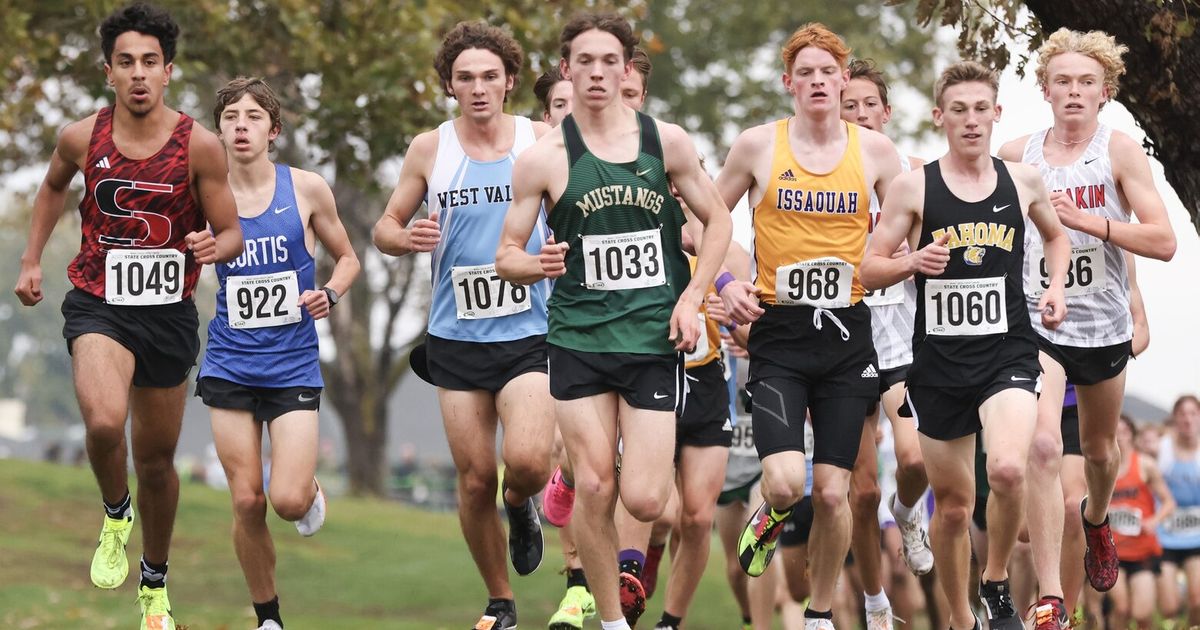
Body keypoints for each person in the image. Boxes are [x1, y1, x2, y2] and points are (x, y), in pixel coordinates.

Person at [496, 12, 733, 630]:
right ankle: (609, 620)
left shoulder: (667, 143)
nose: (597, 73)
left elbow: (720, 223)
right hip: (577, 339)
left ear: (627, 68)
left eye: (609, 62)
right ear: (567, 71)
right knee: (596, 486)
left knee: (649, 499)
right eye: (584, 62)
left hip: (652, 339)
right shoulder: (543, 158)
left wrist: (692, 298)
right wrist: (534, 265)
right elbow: (506, 255)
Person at [12, 4, 242, 628]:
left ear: (168, 71)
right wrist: (33, 258)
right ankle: (116, 513)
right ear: (107, 71)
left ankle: (155, 583)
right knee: (105, 424)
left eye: (149, 63)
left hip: (167, 315)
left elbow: (231, 233)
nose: (138, 74)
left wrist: (210, 247)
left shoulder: (200, 145)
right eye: (125, 63)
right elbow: (54, 185)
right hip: (98, 303)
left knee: (159, 462)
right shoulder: (82, 137)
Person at [861, 60, 1070, 630]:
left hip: (1008, 350)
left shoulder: (1022, 181)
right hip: (939, 364)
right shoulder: (913, 186)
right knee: (952, 508)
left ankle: (996, 581)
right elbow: (869, 268)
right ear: (940, 117)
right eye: (959, 111)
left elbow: (1056, 237)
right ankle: (959, 617)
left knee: (1006, 470)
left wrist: (1053, 286)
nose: (971, 121)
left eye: (982, 109)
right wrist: (911, 261)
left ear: (996, 113)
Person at [714, 23, 903, 629]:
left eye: (829, 71)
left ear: (844, 80)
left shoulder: (875, 153)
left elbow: (914, 221)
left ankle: (820, 614)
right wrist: (725, 284)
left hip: (849, 339)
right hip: (779, 338)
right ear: (788, 83)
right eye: (807, 73)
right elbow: (702, 223)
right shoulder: (756, 147)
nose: (818, 81)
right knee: (787, 481)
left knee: (833, 492)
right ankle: (768, 514)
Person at [373, 21, 554, 630]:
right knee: (475, 479)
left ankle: (523, 502)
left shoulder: (541, 139)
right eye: (465, 77)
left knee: (526, 462)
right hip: (456, 336)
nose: (478, 88)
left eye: (489, 76)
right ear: (449, 85)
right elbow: (384, 227)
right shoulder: (431, 148)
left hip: (531, 331)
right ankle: (500, 602)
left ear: (509, 81)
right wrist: (406, 236)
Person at [996, 28, 1177, 628]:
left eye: (1086, 83)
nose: (1074, 92)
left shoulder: (1120, 151)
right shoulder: (1016, 154)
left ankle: (1098, 521)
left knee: (1099, 452)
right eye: (1063, 81)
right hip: (1038, 320)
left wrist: (1093, 223)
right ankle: (1052, 597)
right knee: (1045, 445)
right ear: (1045, 89)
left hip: (1102, 327)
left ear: (1105, 92)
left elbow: (1163, 241)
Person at [198, 77, 360, 630]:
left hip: (292, 362)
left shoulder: (307, 189)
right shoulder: (204, 192)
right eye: (231, 117)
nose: (241, 126)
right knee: (247, 501)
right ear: (218, 129)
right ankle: (268, 617)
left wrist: (330, 293)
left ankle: (307, 489)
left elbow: (348, 259)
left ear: (274, 130)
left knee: (286, 501)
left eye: (253, 116)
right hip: (228, 361)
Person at [839, 57, 934, 630]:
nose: (857, 114)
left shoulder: (919, 175)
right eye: (847, 105)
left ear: (886, 111)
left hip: (902, 337)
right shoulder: (823, 176)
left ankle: (908, 512)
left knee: (916, 457)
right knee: (860, 489)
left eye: (866, 104)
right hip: (846, 338)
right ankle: (875, 602)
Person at [534, 64, 597, 630]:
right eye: (556, 105)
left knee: (610, 470)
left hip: (618, 335)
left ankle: (614, 572)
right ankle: (577, 585)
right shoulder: (534, 168)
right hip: (546, 332)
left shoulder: (623, 164)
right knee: (564, 448)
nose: (566, 112)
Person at [1105, 415, 1174, 630]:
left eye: (1124, 432)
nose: (1119, 437)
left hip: (1142, 550)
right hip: (1112, 551)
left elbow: (1169, 502)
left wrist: (1155, 520)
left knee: (1142, 614)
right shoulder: (1100, 467)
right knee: (1121, 609)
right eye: (1115, 432)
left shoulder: (1145, 464)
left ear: (1132, 435)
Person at [1157, 395, 1200, 627]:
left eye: (1193, 413)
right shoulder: (1162, 449)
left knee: (1197, 602)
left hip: (1196, 538)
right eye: (1183, 414)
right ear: (1175, 418)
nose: (1188, 419)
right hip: (1166, 538)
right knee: (1169, 607)